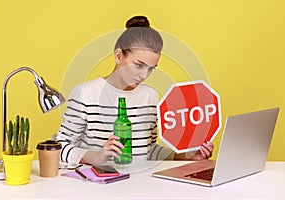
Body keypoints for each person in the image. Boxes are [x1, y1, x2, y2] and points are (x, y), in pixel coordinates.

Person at [55, 15, 214, 166]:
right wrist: (98, 156)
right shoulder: (86, 93)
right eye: (139, 65)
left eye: (151, 68)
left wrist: (185, 156)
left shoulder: (151, 96)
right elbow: (59, 146)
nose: (144, 75)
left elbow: (148, 150)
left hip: (140, 185)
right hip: (97, 186)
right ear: (118, 56)